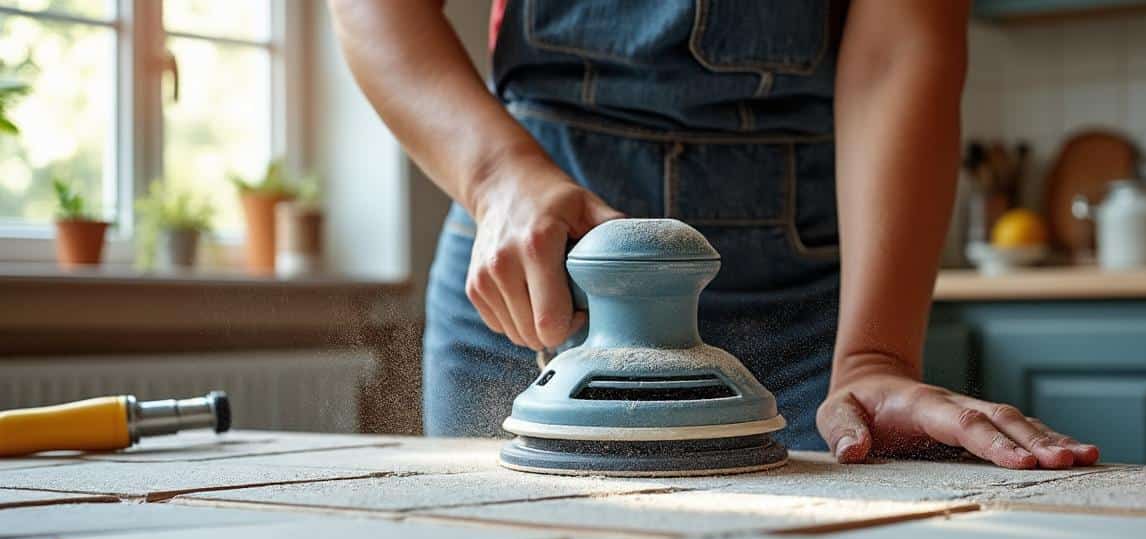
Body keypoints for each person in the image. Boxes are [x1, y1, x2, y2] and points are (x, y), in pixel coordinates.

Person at [331, 0, 1100, 469]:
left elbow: (900, 46)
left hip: (804, 308)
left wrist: (874, 357)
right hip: (531, 255)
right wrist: (498, 178)